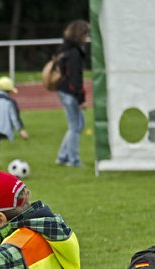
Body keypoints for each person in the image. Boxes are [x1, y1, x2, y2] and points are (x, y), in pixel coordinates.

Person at [55, 19, 89, 168]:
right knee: (75, 126)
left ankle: (62, 156)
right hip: (70, 93)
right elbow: (75, 78)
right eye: (85, 33)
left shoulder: (64, 49)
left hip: (63, 91)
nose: (87, 37)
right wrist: (80, 98)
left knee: (77, 125)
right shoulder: (74, 53)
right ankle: (73, 160)